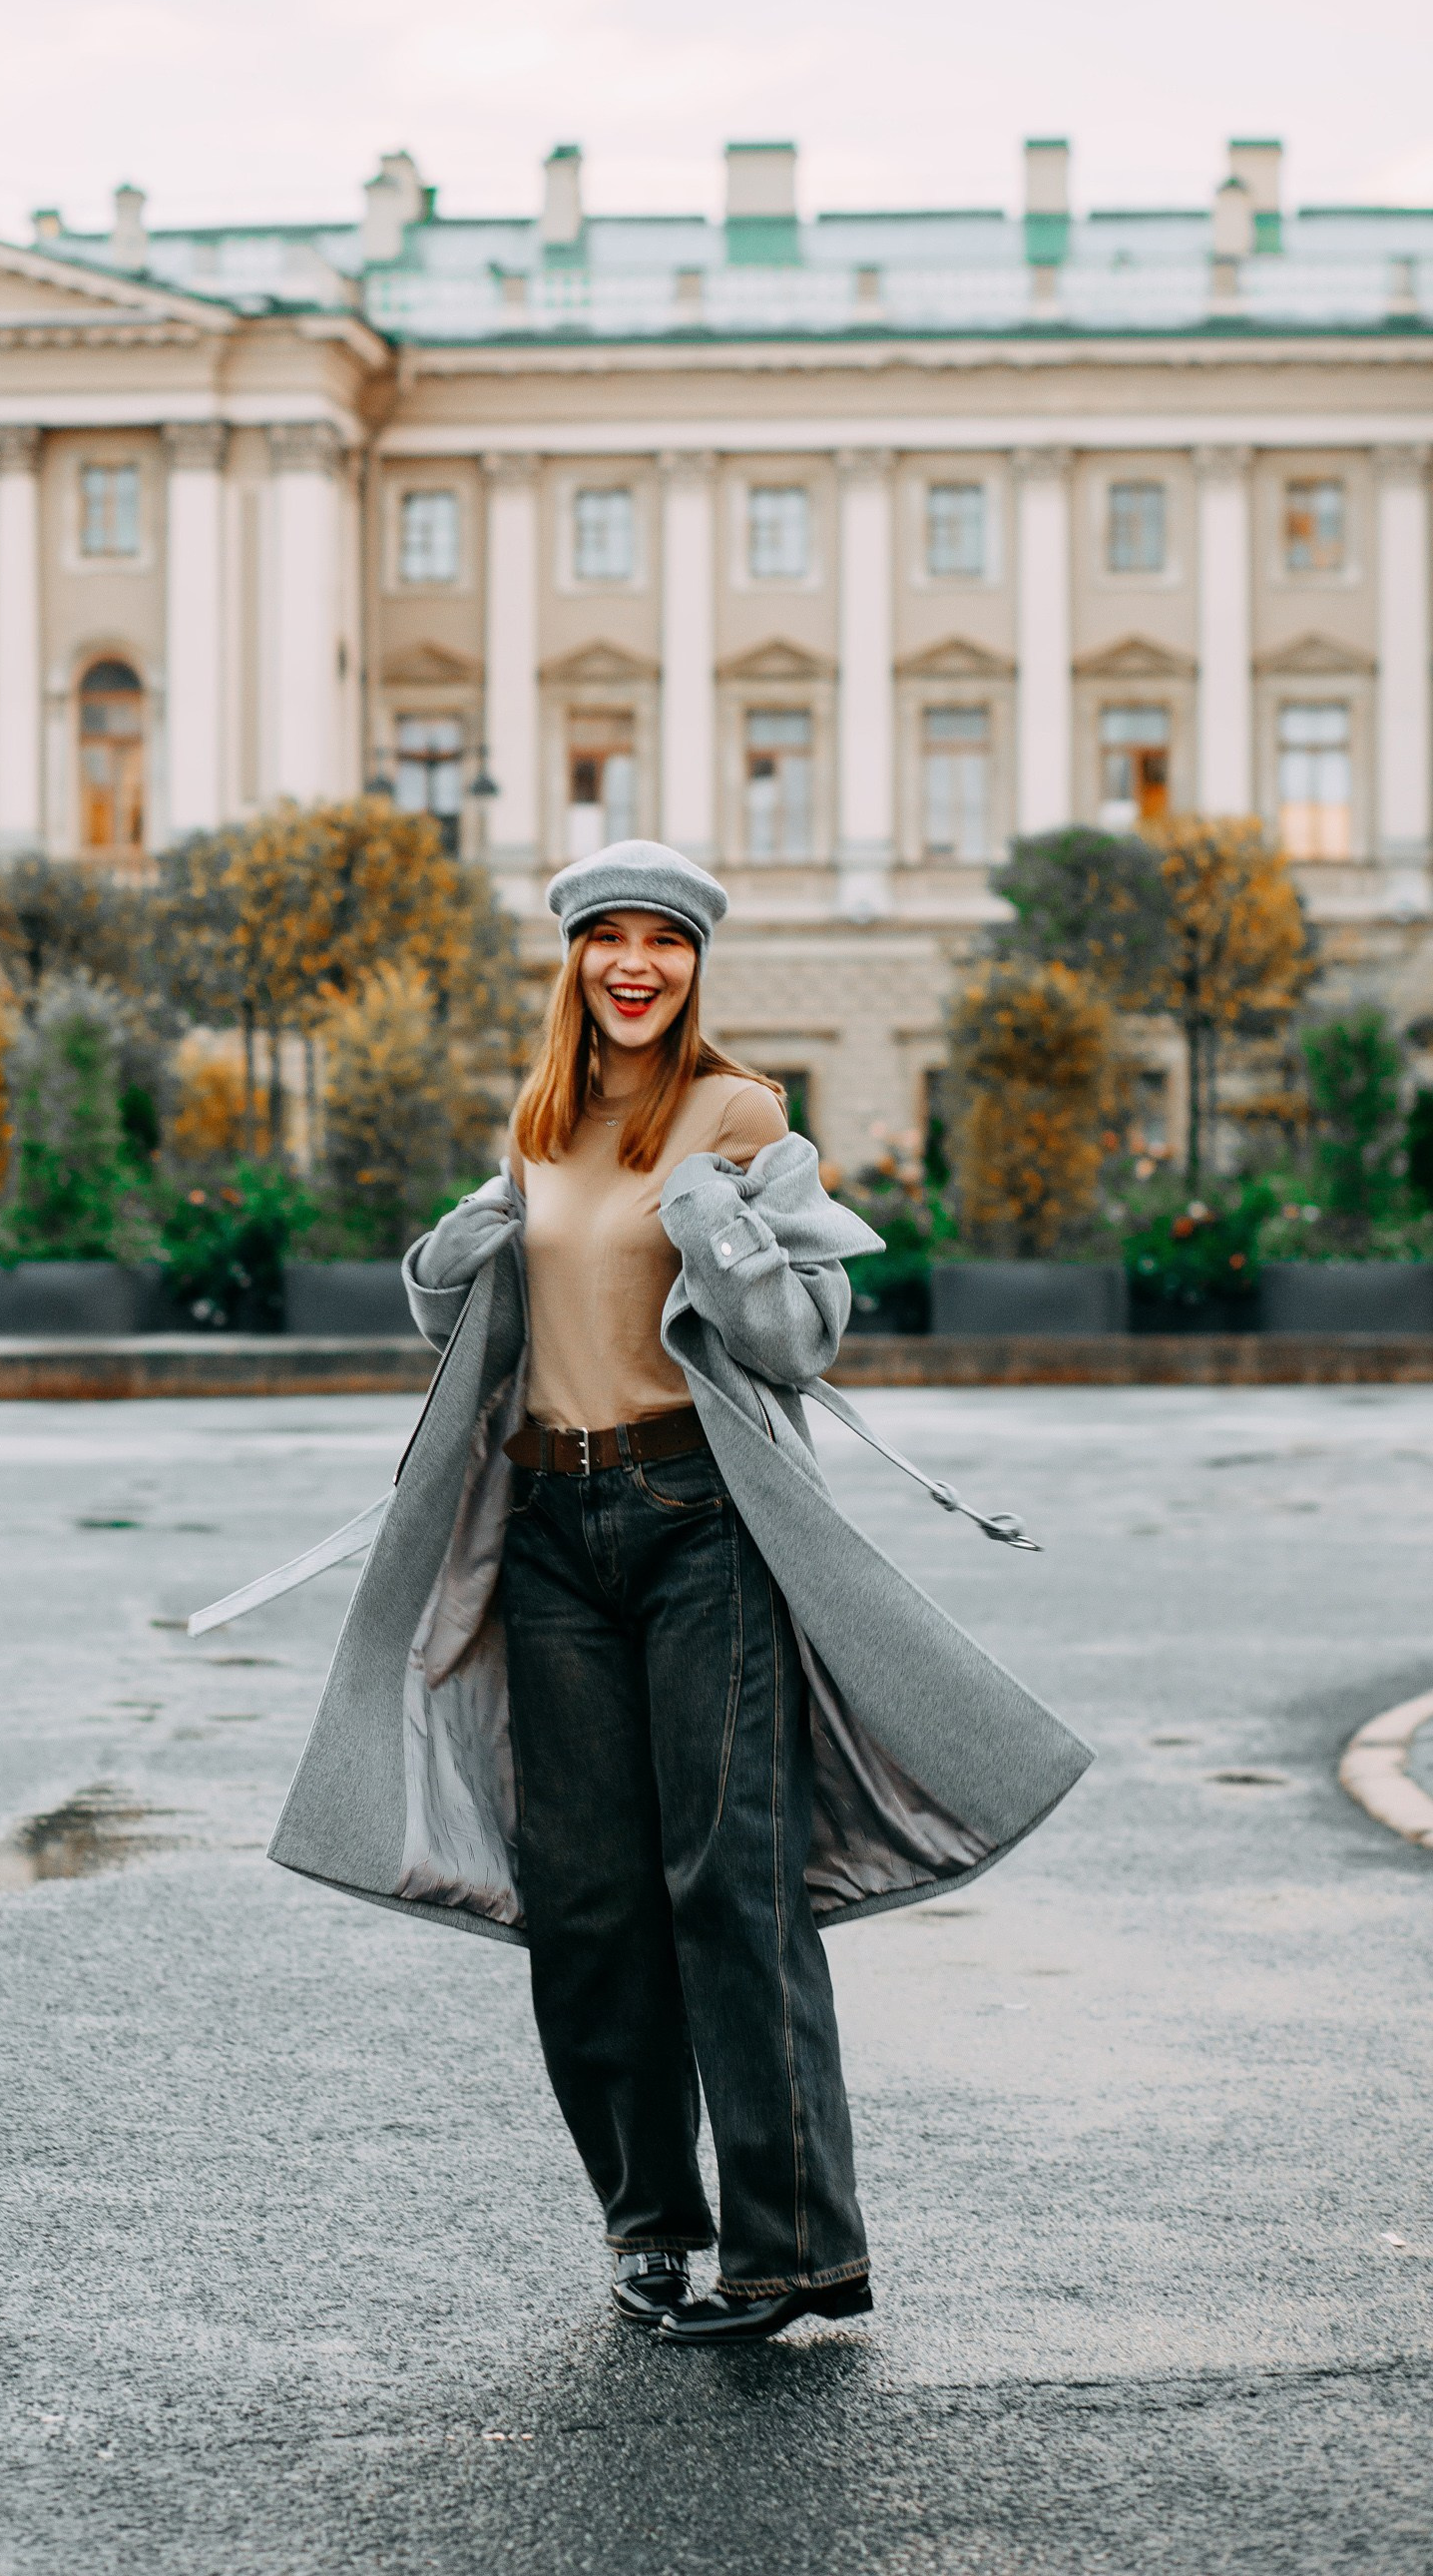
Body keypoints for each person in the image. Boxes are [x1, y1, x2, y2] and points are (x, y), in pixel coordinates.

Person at [261, 840, 1090, 2346]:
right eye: (607, 939)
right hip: (552, 1529)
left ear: (699, 965)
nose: (633, 964)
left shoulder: (741, 1112)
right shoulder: (541, 1122)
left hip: (699, 1516)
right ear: (572, 960)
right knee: (586, 1903)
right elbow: (475, 1302)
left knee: (730, 1882)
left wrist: (717, 1218)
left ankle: (791, 2254)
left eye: (664, 941)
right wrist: (447, 1260)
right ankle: (648, 2223)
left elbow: (802, 1337)